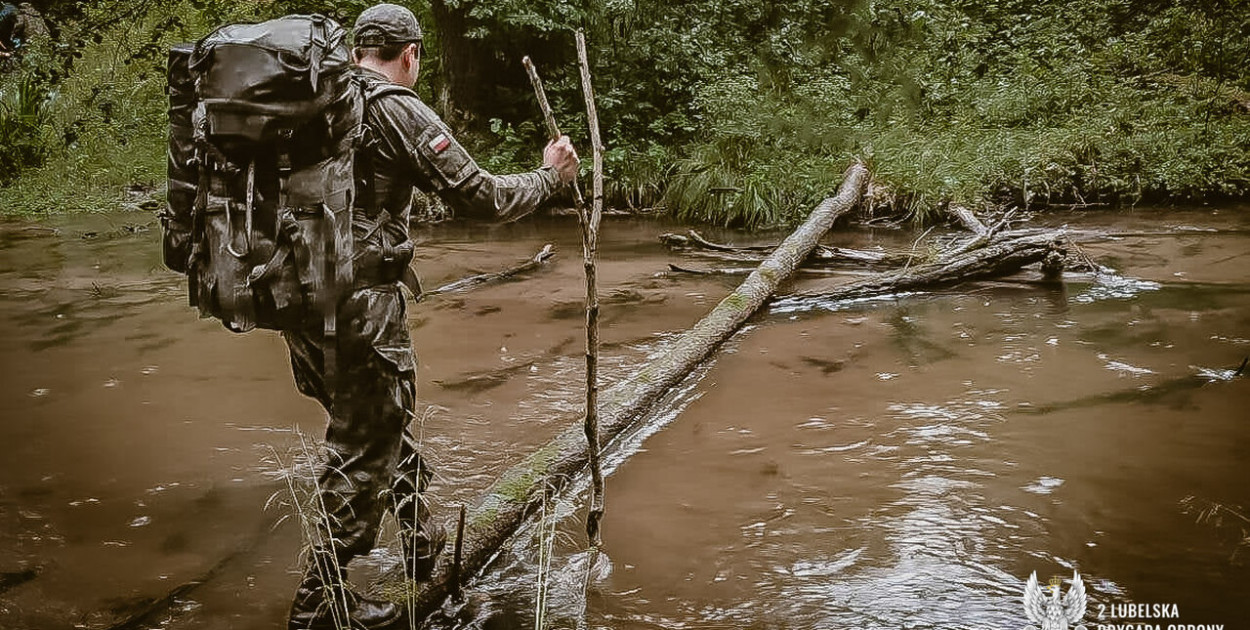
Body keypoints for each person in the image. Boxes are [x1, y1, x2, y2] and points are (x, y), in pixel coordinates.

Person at [285, 4, 580, 629]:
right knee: (362, 443)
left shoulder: (314, 100)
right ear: (411, 54)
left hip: (299, 301)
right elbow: (485, 197)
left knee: (375, 419)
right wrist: (551, 178)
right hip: (361, 306)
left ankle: (419, 540)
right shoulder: (395, 108)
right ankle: (318, 606)